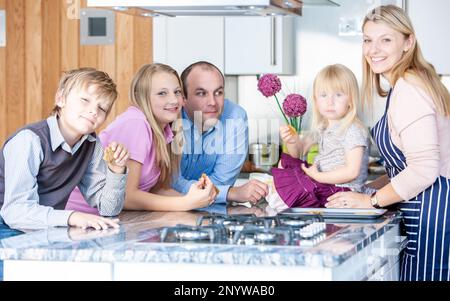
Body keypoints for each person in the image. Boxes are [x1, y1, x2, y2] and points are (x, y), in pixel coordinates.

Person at [326, 5, 450, 281]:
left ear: (408, 42)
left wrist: (371, 201)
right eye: (368, 40)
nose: (373, 49)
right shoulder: (407, 83)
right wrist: (371, 186)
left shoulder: (410, 88)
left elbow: (424, 170)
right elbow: (407, 164)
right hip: (424, 208)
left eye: (386, 39)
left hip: (432, 210)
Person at [66, 63, 217, 213]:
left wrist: (196, 198)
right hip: (80, 219)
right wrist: (185, 203)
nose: (174, 100)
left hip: (108, 219)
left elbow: (156, 191)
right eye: (162, 93)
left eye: (177, 92)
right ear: (142, 96)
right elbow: (126, 197)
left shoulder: (165, 131)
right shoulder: (136, 123)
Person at [0, 67, 129, 231]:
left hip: (43, 231)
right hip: (6, 228)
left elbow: (109, 208)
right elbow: (15, 212)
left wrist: (117, 171)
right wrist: (71, 216)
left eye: (102, 108)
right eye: (85, 100)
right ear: (61, 99)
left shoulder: (91, 144)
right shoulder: (29, 141)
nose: (94, 111)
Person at [266, 64, 373, 211]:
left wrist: (318, 177)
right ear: (316, 100)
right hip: (323, 181)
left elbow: (351, 172)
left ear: (351, 100)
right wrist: (292, 141)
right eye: (324, 95)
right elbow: (298, 152)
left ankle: (281, 201)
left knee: (290, 187)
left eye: (338, 95)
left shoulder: (352, 129)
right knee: (286, 162)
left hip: (340, 189)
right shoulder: (323, 127)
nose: (330, 101)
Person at [172, 61, 269, 205]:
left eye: (218, 93)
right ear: (183, 99)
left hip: (211, 211)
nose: (212, 102)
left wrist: (219, 191)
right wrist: (230, 192)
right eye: (201, 93)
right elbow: (170, 183)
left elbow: (222, 181)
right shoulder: (170, 116)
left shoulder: (235, 117)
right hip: (166, 208)